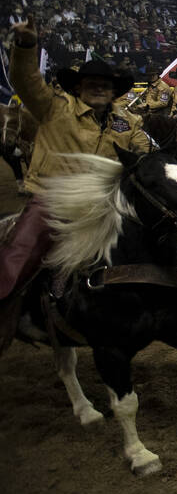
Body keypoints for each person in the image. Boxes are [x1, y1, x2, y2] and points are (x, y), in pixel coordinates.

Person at [0, 19, 152, 351]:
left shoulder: (127, 122)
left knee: (159, 232)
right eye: (91, 83)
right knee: (20, 252)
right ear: (78, 87)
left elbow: (143, 152)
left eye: (105, 84)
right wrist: (26, 46)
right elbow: (25, 81)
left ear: (114, 91)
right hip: (54, 201)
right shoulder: (54, 108)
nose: (99, 88)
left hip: (106, 205)